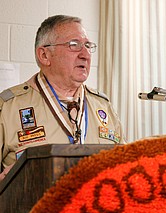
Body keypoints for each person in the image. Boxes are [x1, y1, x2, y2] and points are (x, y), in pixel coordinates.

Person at [0, 15, 126, 180]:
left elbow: (125, 166)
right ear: (44, 55)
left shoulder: (103, 106)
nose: (85, 54)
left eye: (88, 45)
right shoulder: (9, 106)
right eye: (74, 45)